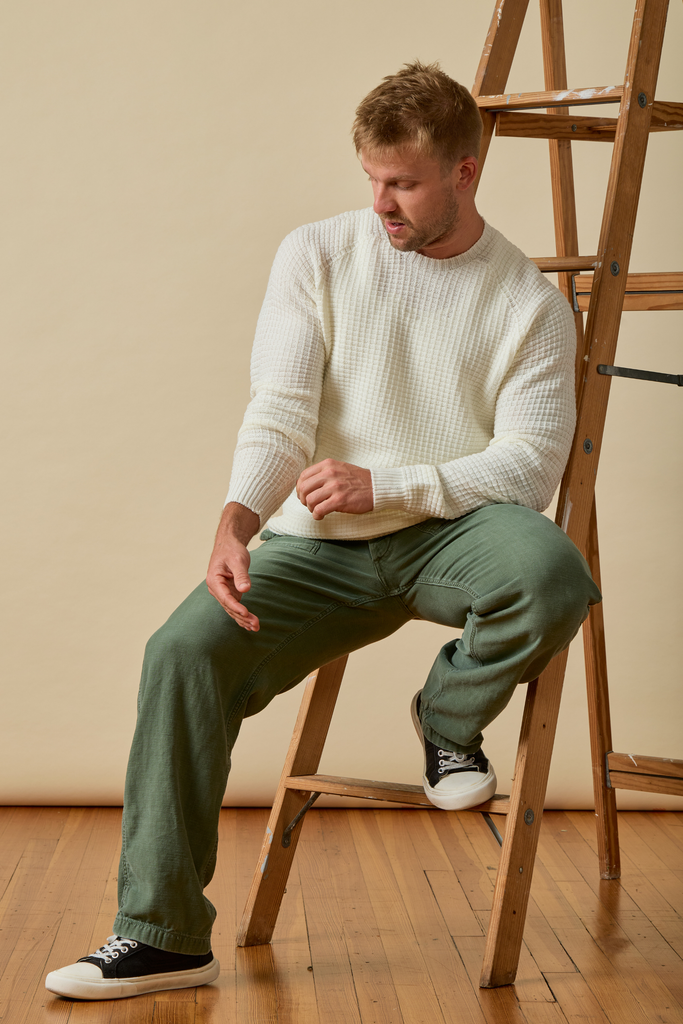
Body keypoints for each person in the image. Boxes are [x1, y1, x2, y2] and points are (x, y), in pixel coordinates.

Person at [46, 61, 600, 1001]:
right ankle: (164, 935)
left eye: (404, 182)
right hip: (316, 546)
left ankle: (446, 718)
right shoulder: (317, 254)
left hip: (447, 531)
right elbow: (280, 409)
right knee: (181, 650)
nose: (381, 202)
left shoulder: (529, 304)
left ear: (465, 172)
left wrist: (388, 481)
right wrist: (236, 519)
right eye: (371, 179)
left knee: (551, 571)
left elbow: (528, 470)